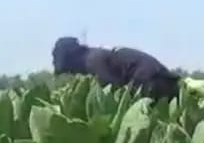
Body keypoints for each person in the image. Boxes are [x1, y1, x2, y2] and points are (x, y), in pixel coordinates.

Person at [52, 37, 181, 101]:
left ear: (72, 60)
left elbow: (113, 92)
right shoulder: (96, 55)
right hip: (161, 79)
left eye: (69, 70)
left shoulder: (92, 61)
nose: (72, 74)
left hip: (153, 82)